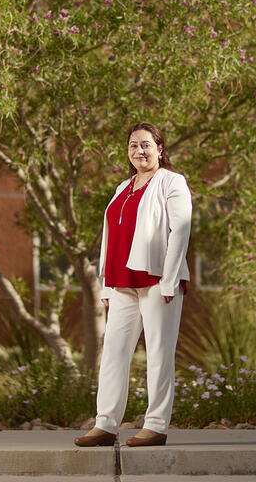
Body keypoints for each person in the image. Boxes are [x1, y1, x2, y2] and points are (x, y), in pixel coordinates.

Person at [74, 122, 192, 448]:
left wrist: (170, 281)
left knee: (158, 352)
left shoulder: (172, 182)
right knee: (113, 352)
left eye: (145, 145)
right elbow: (111, 238)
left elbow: (180, 230)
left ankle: (155, 426)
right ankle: (106, 425)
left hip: (157, 281)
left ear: (159, 149)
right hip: (122, 281)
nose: (139, 151)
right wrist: (106, 286)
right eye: (133, 146)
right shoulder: (122, 187)